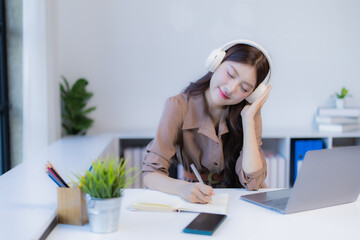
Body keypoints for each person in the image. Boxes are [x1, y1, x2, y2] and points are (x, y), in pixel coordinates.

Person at [142, 39, 272, 204]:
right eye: (230, 74)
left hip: (238, 199)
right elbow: (150, 174)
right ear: (216, 62)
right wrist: (182, 189)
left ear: (252, 94)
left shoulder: (249, 113)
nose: (231, 89)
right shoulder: (178, 106)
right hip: (194, 197)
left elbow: (253, 183)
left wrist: (248, 120)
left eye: (244, 89)